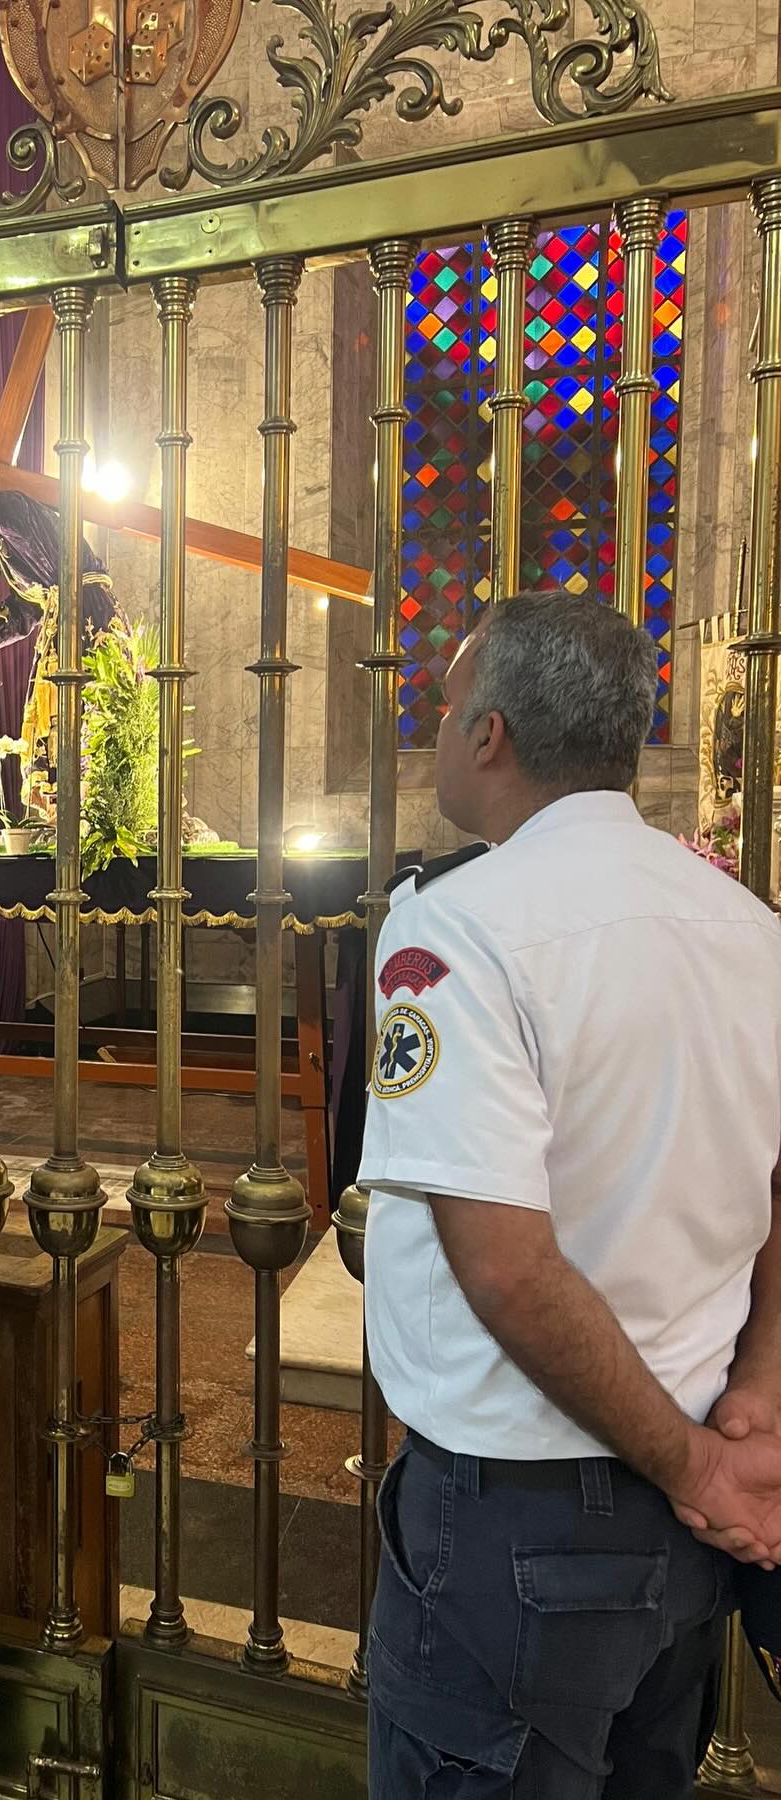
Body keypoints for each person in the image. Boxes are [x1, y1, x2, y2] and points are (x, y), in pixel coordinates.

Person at [358, 592, 781, 1798]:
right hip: (691, 1511)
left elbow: (505, 1265)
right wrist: (754, 1397)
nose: (440, 732)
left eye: (446, 709)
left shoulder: (458, 932)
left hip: (524, 1513)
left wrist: (699, 1467)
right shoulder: (747, 926)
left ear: (489, 735)